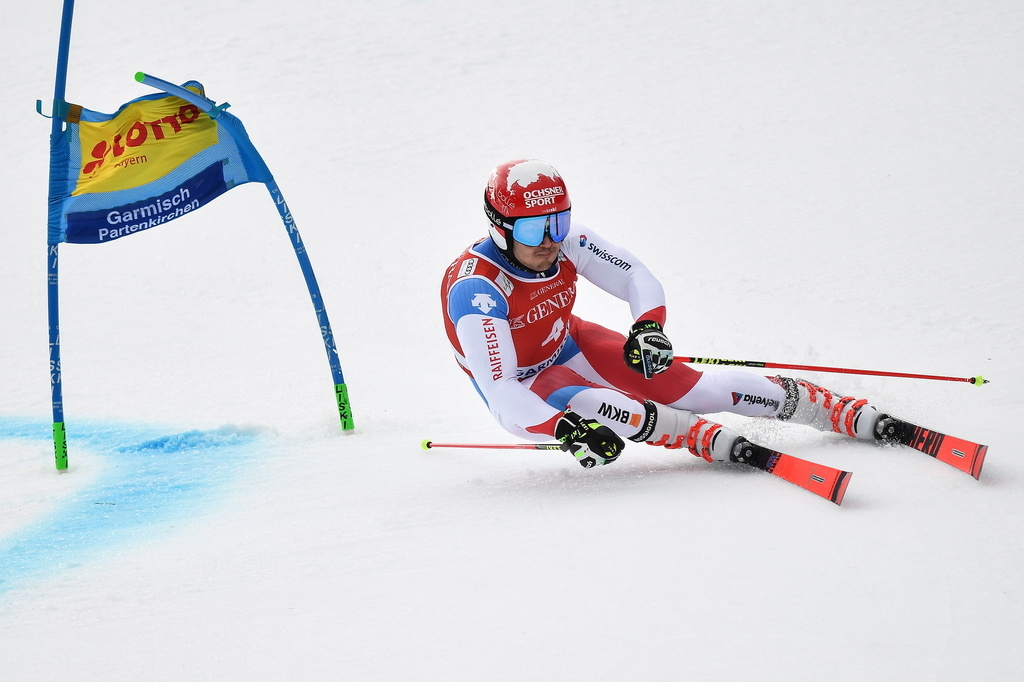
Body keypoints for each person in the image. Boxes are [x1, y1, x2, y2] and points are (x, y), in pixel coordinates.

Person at [440, 159, 898, 469]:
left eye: (557, 221)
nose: (550, 239)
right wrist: (566, 430)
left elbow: (634, 276)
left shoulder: (567, 243)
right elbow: (500, 390)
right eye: (534, 227)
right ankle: (687, 433)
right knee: (596, 406)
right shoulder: (477, 291)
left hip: (570, 344)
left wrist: (649, 327)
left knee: (697, 389)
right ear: (500, 228)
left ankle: (825, 408)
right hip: (524, 391)